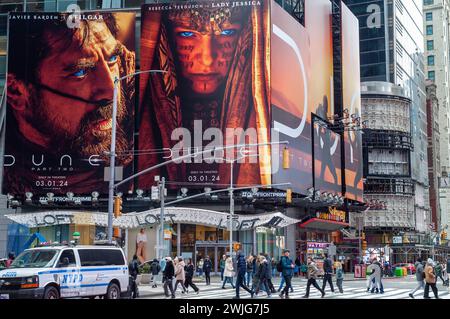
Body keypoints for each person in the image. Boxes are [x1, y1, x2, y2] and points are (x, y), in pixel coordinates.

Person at [4, 12, 135, 195]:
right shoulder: (10, 175)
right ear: (17, 92)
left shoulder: (144, 99)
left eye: (112, 59)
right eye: (79, 73)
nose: (110, 91)